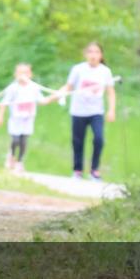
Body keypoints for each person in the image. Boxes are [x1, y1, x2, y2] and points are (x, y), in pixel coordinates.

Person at [48, 42, 117, 181]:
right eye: (90, 52)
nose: (93, 55)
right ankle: (77, 170)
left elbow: (110, 92)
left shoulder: (105, 71)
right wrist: (52, 97)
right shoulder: (78, 69)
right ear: (86, 54)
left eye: (96, 52)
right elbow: (68, 87)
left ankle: (94, 170)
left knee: (99, 139)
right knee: (77, 141)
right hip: (78, 111)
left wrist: (112, 110)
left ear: (101, 55)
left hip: (96, 112)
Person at [0, 63, 48, 173]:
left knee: (24, 140)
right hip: (15, 119)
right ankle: (12, 156)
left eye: (25, 72)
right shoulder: (13, 88)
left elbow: (43, 101)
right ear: (15, 75)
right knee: (15, 140)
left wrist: (58, 95)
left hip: (28, 119)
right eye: (20, 72)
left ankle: (20, 161)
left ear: (30, 74)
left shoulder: (34, 88)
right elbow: (4, 103)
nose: (23, 75)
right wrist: (0, 116)